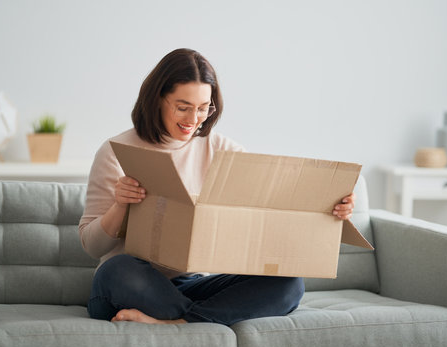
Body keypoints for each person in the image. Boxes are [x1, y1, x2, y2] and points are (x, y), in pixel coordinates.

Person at [79, 48, 355, 326]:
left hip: (193, 284)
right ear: (157, 99)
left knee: (289, 284)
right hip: (132, 284)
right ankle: (205, 318)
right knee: (118, 269)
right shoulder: (117, 151)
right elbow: (92, 246)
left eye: (203, 108)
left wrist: (329, 208)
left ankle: (179, 323)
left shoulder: (225, 152)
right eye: (183, 107)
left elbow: (272, 211)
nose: (193, 119)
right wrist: (121, 205)